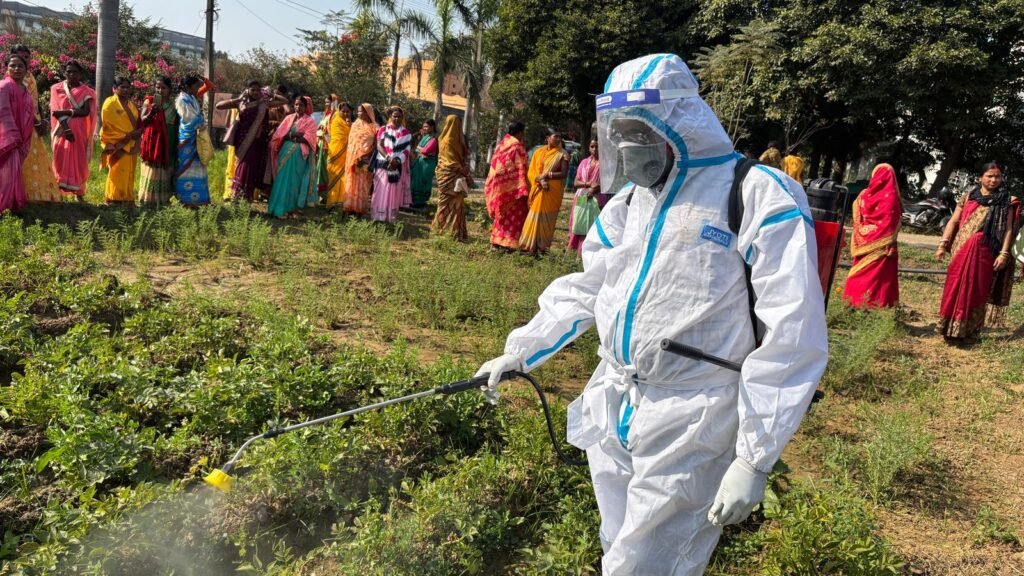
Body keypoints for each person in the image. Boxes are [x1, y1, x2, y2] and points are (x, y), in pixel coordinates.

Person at [474, 54, 828, 574]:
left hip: (693, 417)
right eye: (618, 130)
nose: (625, 144)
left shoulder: (753, 195)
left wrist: (755, 456)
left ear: (679, 121)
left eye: (638, 129)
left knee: (644, 565)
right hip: (615, 399)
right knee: (617, 545)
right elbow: (588, 287)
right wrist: (520, 351)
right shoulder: (630, 204)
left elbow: (792, 335)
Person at [936, 162, 1018, 343]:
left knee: (977, 289)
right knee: (954, 286)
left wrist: (1004, 253)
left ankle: (970, 332)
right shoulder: (968, 197)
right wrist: (943, 244)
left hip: (986, 253)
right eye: (990, 176)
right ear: (981, 177)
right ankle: (947, 329)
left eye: (997, 176)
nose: (994, 180)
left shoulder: (1007, 200)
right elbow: (954, 222)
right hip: (961, 250)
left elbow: (1009, 230)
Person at [842, 163, 902, 308]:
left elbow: (857, 213)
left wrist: (865, 231)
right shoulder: (892, 197)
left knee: (860, 274)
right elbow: (891, 222)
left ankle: (853, 304)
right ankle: (875, 308)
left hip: (863, 242)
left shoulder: (863, 195)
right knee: (878, 279)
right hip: (883, 245)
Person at [216, 80, 287, 201]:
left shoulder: (264, 103)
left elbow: (284, 101)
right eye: (252, 89)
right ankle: (237, 195)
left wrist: (271, 94)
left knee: (251, 169)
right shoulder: (241, 104)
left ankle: (246, 197)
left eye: (258, 90)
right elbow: (219, 105)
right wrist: (237, 100)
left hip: (257, 142)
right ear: (247, 90)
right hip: (243, 141)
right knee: (243, 166)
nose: (255, 92)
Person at [12, 45, 60, 203]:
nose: (24, 60)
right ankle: (21, 195)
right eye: (20, 56)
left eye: (27, 57)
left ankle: (37, 195)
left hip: (35, 123)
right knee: (22, 160)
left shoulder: (30, 76)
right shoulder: (12, 79)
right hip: (20, 124)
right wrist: (37, 122)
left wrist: (43, 119)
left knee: (36, 158)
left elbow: (36, 101)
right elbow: (22, 106)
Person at [50, 60, 97, 199]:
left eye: (75, 72)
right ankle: (58, 193)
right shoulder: (56, 89)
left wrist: (66, 113)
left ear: (80, 73)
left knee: (79, 159)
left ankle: (79, 192)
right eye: (68, 71)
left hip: (79, 131)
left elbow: (85, 112)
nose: (71, 74)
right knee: (60, 158)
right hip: (61, 130)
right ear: (64, 73)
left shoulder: (87, 91)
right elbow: (55, 111)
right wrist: (67, 129)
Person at [519, 128, 569, 254]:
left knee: (547, 219)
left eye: (559, 137)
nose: (558, 139)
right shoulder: (538, 152)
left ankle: (542, 248)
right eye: (555, 136)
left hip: (552, 190)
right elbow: (532, 171)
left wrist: (547, 175)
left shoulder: (562, 154)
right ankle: (528, 246)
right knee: (534, 215)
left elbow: (564, 173)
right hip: (540, 187)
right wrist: (541, 180)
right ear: (548, 138)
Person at [267, 96, 318, 219]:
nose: (298, 107)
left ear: (306, 107)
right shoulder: (288, 118)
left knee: (294, 182)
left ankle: (289, 210)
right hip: (284, 153)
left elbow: (309, 139)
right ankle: (276, 209)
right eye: (296, 104)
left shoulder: (310, 121)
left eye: (301, 105)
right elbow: (279, 135)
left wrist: (293, 136)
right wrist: (293, 134)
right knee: (281, 180)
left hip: (299, 156)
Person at [485, 122, 530, 251]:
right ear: (520, 132)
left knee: (502, 214)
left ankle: (497, 240)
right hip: (514, 187)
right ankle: (510, 243)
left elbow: (496, 165)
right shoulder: (517, 146)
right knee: (515, 213)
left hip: (499, 187)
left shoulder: (501, 144)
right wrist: (522, 184)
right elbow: (521, 166)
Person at [430, 115, 475, 240]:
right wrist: (463, 170)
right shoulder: (450, 141)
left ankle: (441, 230)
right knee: (455, 203)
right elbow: (450, 161)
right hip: (452, 174)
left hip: (446, 174)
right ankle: (452, 232)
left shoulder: (443, 139)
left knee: (446, 203)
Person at [99, 76, 142, 204]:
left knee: (129, 172)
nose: (125, 90)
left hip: (132, 144)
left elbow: (138, 123)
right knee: (117, 172)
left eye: (128, 87)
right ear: (114, 89)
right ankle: (113, 198)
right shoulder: (109, 103)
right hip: (118, 144)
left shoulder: (132, 105)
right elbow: (108, 126)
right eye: (122, 87)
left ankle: (127, 198)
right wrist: (126, 137)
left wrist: (137, 134)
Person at [0, 54, 33, 213]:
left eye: (20, 66)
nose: (16, 69)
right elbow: (2, 112)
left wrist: (24, 135)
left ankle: (11, 203)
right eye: (12, 65)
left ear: (27, 70)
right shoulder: (4, 86)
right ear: (6, 68)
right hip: (7, 137)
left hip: (21, 137)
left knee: (14, 172)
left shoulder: (26, 91)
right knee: (6, 172)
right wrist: (12, 135)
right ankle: (4, 205)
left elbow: (28, 115)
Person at [138, 76, 179, 205]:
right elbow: (142, 120)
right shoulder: (149, 101)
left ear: (170, 89)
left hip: (169, 141)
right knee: (152, 169)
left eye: (163, 88)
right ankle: (148, 198)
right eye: (157, 87)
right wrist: (152, 112)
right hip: (152, 142)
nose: (160, 90)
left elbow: (177, 124)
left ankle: (163, 199)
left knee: (166, 169)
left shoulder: (175, 105)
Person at [175, 74, 214, 206]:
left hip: (196, 135)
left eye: (199, 86)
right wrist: (201, 121)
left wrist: (202, 78)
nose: (199, 88)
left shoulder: (192, 96)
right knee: (186, 169)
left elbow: (210, 86)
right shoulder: (182, 99)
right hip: (187, 137)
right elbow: (189, 118)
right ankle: (186, 200)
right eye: (196, 86)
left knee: (199, 165)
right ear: (189, 86)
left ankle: (198, 199)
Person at [370, 106, 412, 223]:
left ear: (402, 117)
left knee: (393, 191)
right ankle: (378, 217)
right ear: (390, 117)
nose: (397, 118)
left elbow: (407, 150)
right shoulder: (383, 129)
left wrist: (397, 161)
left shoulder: (406, 133)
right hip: (383, 163)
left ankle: (389, 218)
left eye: (399, 116)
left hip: (397, 165)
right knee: (380, 189)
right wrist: (389, 158)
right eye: (395, 116)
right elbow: (379, 145)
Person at [566, 138, 601, 254]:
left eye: (597, 146)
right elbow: (576, 183)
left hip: (598, 199)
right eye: (592, 146)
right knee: (578, 223)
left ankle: (588, 253)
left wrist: (595, 188)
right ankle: (574, 253)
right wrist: (589, 184)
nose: (595, 149)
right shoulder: (584, 162)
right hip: (581, 198)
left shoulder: (606, 164)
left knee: (593, 226)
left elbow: (608, 183)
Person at [343, 103, 379, 216]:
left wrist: (365, 156)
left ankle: (359, 209)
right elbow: (351, 143)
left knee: (363, 184)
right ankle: (349, 207)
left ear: (367, 112)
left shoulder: (375, 127)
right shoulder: (355, 125)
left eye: (360, 111)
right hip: (352, 160)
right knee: (352, 182)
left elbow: (376, 145)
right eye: (358, 111)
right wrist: (354, 157)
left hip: (366, 160)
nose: (358, 113)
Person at [324, 101, 352, 209]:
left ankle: (341, 202)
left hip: (346, 155)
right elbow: (336, 138)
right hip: (335, 154)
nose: (345, 114)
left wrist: (350, 126)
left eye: (348, 111)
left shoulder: (350, 124)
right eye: (343, 111)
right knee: (334, 176)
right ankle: (331, 202)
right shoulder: (336, 121)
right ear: (339, 111)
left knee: (344, 178)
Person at [410, 119, 439, 209]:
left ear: (432, 127)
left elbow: (425, 150)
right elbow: (417, 150)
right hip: (420, 162)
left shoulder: (434, 139)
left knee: (423, 181)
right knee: (415, 180)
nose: (424, 128)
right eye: (423, 127)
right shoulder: (424, 137)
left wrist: (419, 149)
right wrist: (420, 150)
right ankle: (413, 201)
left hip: (428, 164)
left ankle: (421, 203)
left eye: (426, 126)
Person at [315, 95, 335, 198]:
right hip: (321, 144)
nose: (327, 104)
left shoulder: (336, 116)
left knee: (327, 168)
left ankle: (327, 194)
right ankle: (320, 192)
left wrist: (324, 131)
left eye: (329, 102)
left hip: (329, 145)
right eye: (326, 102)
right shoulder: (326, 115)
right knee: (320, 167)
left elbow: (333, 131)